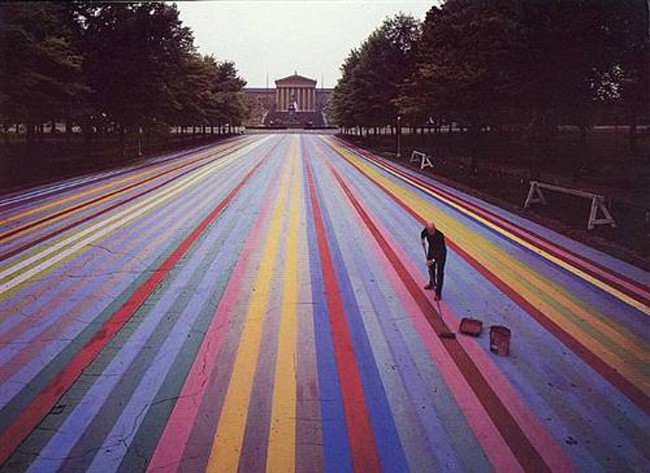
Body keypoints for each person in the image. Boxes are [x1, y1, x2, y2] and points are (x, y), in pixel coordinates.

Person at [420, 221, 447, 301]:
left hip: (440, 254)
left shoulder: (440, 236)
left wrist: (433, 260)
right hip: (431, 250)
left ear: (434, 228)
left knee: (439, 273)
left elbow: (441, 252)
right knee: (430, 268)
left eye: (432, 230)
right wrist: (422, 240)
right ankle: (432, 283)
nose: (431, 232)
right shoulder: (426, 230)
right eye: (429, 231)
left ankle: (438, 294)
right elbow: (422, 234)